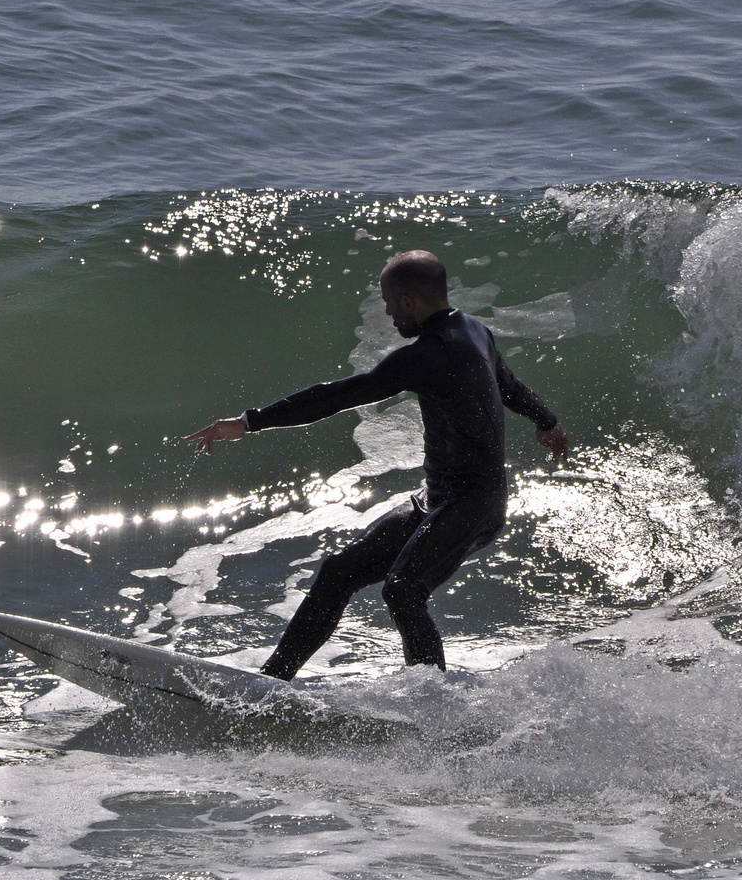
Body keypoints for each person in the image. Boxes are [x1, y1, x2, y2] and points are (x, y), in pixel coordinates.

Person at [183, 250, 569, 679]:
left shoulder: (429, 353)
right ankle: (272, 682)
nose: (388, 314)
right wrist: (547, 423)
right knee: (337, 572)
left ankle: (433, 703)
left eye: (389, 305)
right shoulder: (475, 330)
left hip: (474, 503)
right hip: (440, 498)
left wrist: (250, 422)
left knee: (404, 590)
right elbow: (510, 386)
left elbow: (336, 397)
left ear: (408, 302)